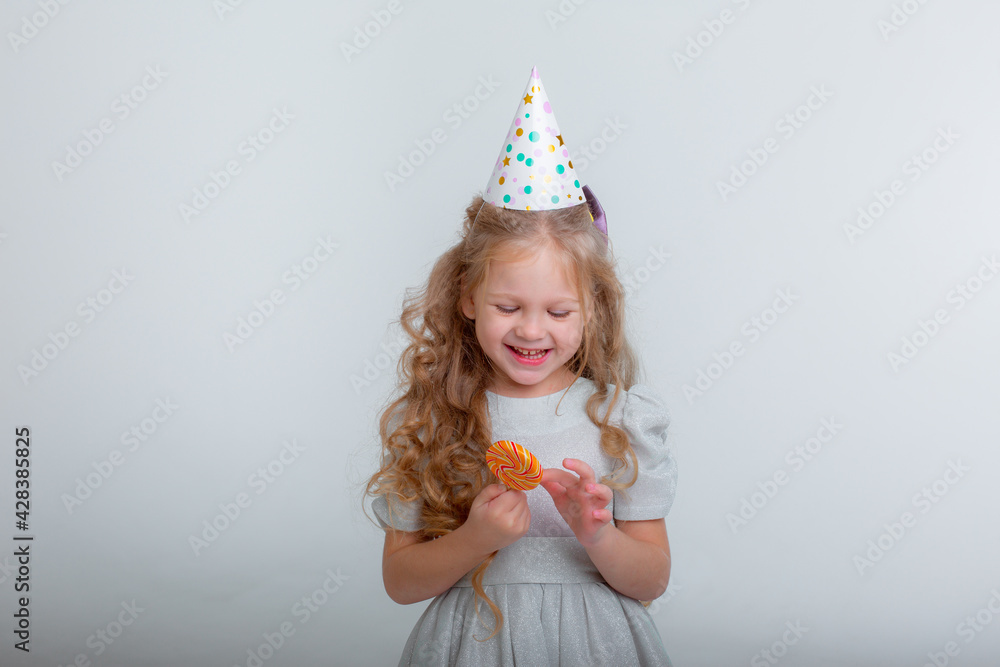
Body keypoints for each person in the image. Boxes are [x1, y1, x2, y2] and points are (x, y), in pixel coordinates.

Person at [364, 66, 678, 666]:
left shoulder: (619, 419)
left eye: (559, 311)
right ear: (467, 297)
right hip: (472, 645)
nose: (532, 330)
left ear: (593, 310)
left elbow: (652, 579)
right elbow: (401, 583)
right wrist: (474, 540)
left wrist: (598, 535)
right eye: (508, 306)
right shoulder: (434, 419)